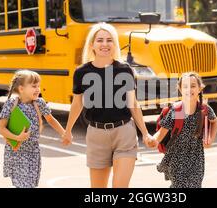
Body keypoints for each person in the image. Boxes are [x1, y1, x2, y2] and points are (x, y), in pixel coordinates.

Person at [62, 23, 156, 188]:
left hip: (124, 133)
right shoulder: (81, 72)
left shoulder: (125, 70)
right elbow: (77, 104)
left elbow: (133, 103)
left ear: (114, 45)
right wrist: (68, 130)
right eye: (100, 40)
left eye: (109, 40)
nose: (105, 44)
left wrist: (146, 133)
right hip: (96, 135)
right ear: (92, 45)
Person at [0, 70, 66, 188]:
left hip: (33, 151)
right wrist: (17, 137)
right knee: (24, 185)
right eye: (34, 86)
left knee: (29, 184)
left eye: (39, 86)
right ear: (21, 89)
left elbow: (50, 119)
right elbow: (1, 128)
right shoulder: (11, 104)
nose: (38, 89)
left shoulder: (39, 103)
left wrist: (64, 133)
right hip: (15, 152)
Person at [153, 72, 217, 188]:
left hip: (196, 159)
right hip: (177, 159)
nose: (189, 89)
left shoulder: (204, 110)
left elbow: (214, 122)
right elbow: (162, 132)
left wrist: (211, 139)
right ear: (180, 89)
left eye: (193, 86)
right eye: (185, 86)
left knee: (194, 185)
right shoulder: (177, 111)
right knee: (180, 185)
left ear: (200, 88)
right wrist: (152, 140)